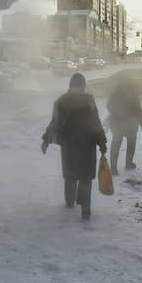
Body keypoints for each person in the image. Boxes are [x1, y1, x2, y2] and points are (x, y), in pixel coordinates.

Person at [41, 73, 107, 220]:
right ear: (83, 86)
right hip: (87, 145)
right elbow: (96, 123)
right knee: (85, 177)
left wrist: (46, 139)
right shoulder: (89, 100)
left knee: (70, 175)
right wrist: (101, 142)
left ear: (70, 85)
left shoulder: (61, 101)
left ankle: (70, 201)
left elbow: (54, 122)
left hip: (69, 145)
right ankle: (85, 208)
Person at [106, 78, 142, 176]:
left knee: (116, 143)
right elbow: (138, 110)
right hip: (130, 124)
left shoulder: (114, 94)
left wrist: (115, 114)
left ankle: (114, 168)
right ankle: (128, 164)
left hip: (118, 124)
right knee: (131, 143)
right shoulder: (132, 94)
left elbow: (108, 105)